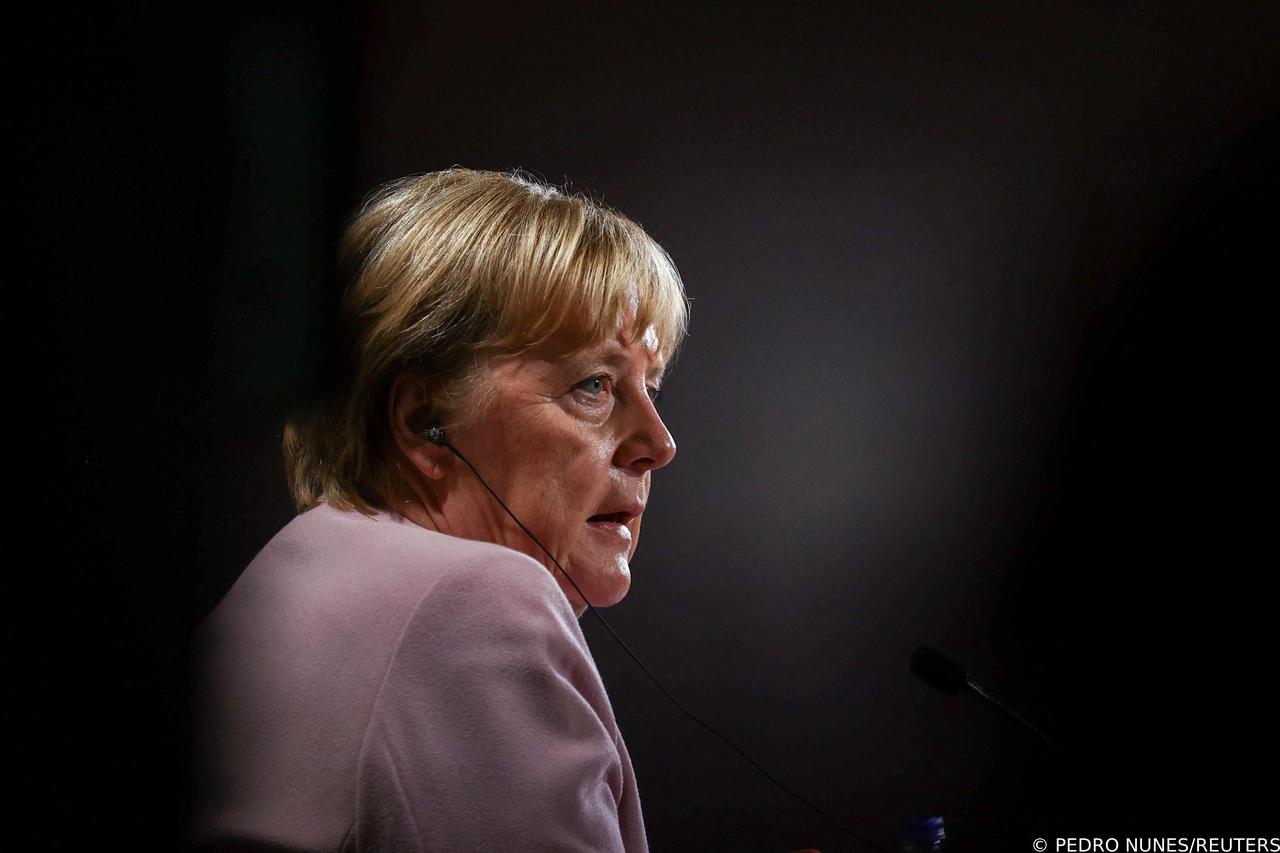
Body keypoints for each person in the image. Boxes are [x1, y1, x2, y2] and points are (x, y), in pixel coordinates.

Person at [187, 168, 688, 851]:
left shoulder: (302, 567)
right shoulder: (475, 601)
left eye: (651, 387)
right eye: (593, 386)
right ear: (425, 422)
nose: (657, 444)